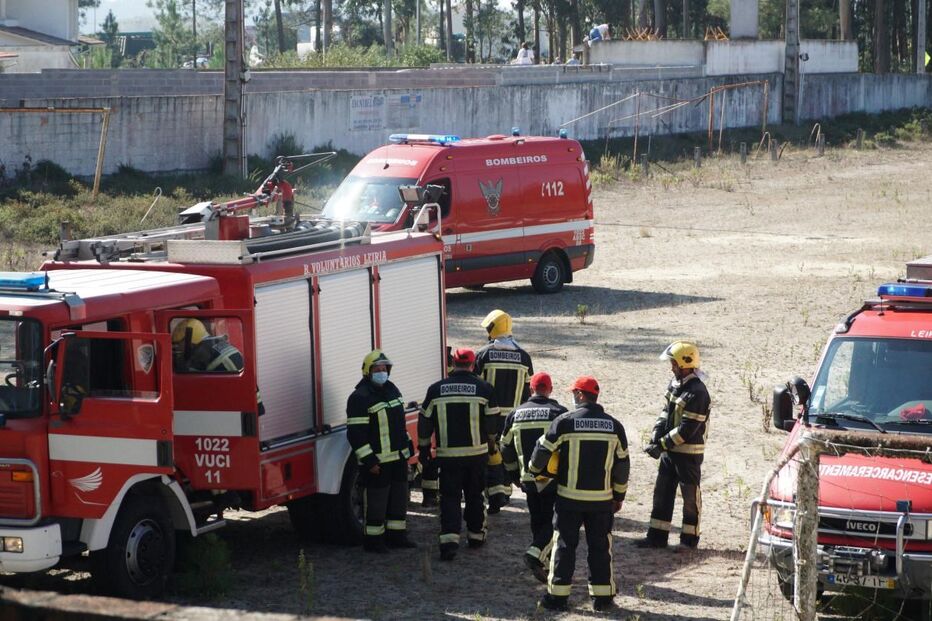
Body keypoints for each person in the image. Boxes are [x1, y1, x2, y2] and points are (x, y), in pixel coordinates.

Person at [528, 376, 628, 612]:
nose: (573, 397)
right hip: (601, 501)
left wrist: (534, 471)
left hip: (569, 499)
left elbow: (542, 451)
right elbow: (622, 465)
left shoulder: (564, 422)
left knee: (564, 546)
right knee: (601, 547)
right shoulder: (614, 426)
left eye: (575, 393)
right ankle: (602, 599)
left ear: (581, 395)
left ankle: (558, 597)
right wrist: (619, 496)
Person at [418, 348, 498, 561]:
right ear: (473, 365)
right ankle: (475, 536)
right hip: (476, 455)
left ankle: (449, 542)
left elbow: (424, 422)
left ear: (453, 363)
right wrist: (492, 443)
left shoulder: (435, 389)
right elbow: (492, 422)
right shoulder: (484, 388)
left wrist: (424, 449)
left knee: (450, 498)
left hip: (448, 456)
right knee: (474, 496)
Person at [637, 341, 710, 550]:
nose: (672, 368)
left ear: (686, 363)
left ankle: (689, 541)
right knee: (662, 493)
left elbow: (687, 429)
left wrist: (660, 445)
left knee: (689, 497)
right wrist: (655, 434)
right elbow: (665, 412)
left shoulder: (698, 392)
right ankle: (656, 538)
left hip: (688, 454)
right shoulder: (676, 384)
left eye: (674, 364)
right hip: (670, 451)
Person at [346, 350, 417, 553]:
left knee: (399, 499)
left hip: (398, 458)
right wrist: (369, 461)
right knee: (376, 503)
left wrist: (407, 449)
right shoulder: (359, 398)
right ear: (367, 372)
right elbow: (356, 434)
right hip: (377, 462)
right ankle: (374, 542)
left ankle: (397, 537)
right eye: (377, 369)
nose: (382, 372)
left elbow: (398, 425)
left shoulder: (392, 390)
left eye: (385, 368)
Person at [500, 371, 568, 583]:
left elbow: (505, 447)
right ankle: (537, 554)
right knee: (555, 521)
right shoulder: (560, 413)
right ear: (550, 390)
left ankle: (540, 557)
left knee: (537, 520)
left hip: (527, 478)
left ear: (531, 389)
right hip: (552, 480)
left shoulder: (515, 413)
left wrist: (513, 475)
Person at [475, 309, 534, 512]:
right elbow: (528, 391)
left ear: (493, 328)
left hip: (490, 415)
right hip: (514, 417)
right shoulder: (524, 357)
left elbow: (476, 386)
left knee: (491, 454)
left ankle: (495, 495)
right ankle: (505, 492)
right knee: (508, 454)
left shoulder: (484, 355)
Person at [172, 318, 265, 416]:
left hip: (237, 409)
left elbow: (188, 385)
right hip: (250, 403)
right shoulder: (216, 344)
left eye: (179, 343)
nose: (177, 347)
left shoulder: (201, 354)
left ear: (190, 340)